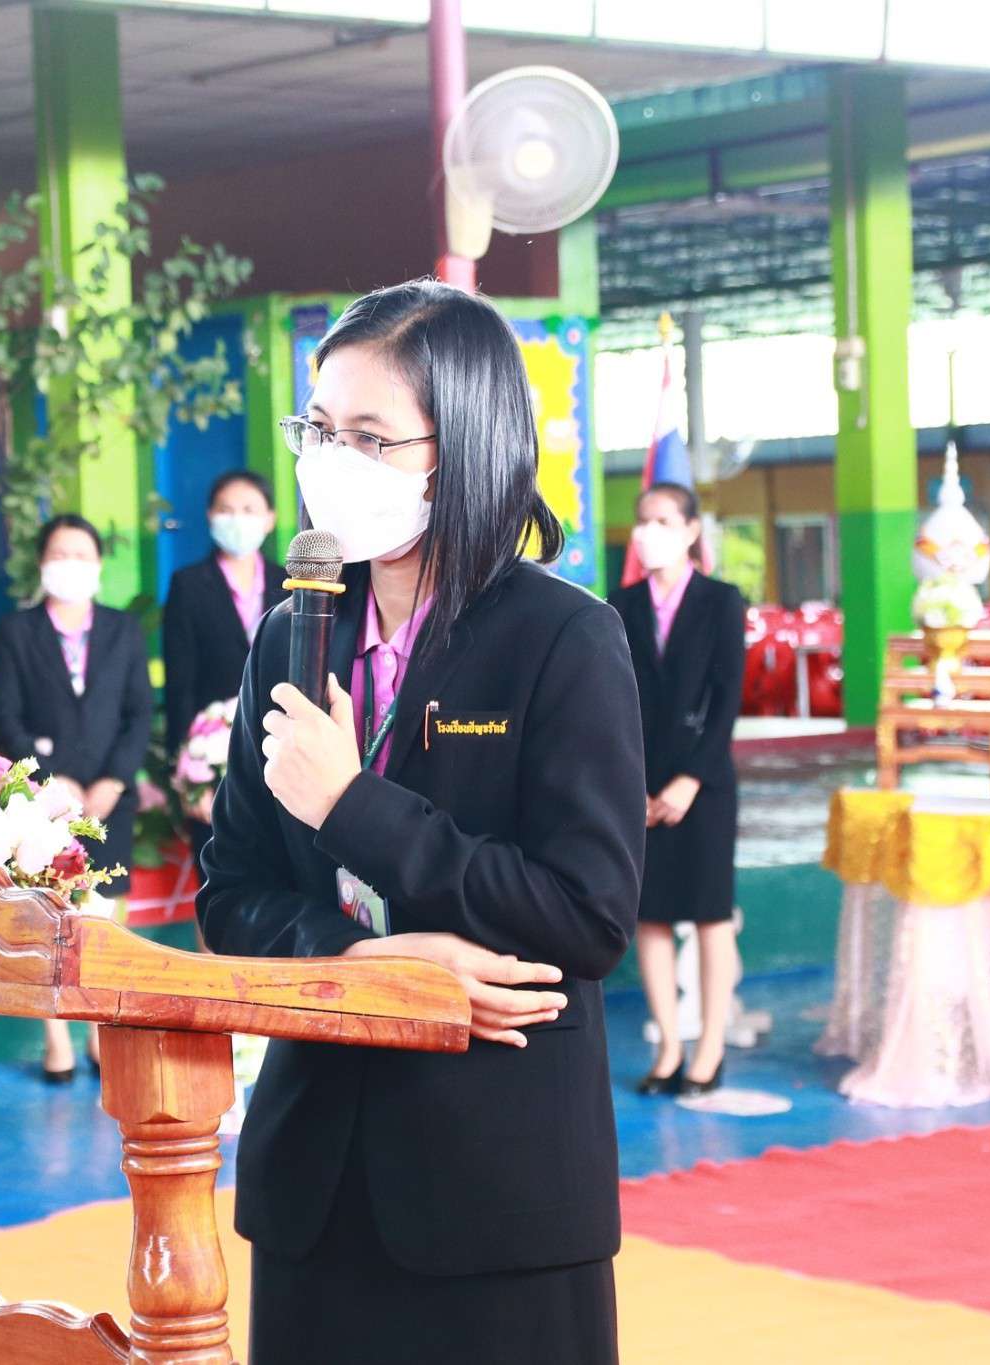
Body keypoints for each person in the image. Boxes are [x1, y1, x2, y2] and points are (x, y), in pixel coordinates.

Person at [199, 280, 645, 1363]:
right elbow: (231, 894)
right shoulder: (291, 635)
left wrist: (352, 806)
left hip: (496, 1182)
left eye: (368, 436)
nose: (329, 460)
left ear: (466, 449)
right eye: (317, 429)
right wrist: (369, 961)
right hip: (315, 1179)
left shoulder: (562, 639)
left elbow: (586, 916)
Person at [0, 514, 153, 1082]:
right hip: (45, 800)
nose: (70, 565)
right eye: (59, 554)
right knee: (49, 913)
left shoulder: (122, 630)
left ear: (99, 565)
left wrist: (116, 780)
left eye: (81, 555)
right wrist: (50, 782)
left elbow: (139, 714)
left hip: (110, 798)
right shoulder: (18, 630)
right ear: (41, 563)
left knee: (105, 919)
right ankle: (56, 1038)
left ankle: (99, 1032)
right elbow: (7, 715)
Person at [610, 483, 747, 1097]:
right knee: (652, 916)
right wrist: (634, 788)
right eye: (643, 521)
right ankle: (669, 1047)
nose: (649, 532)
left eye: (663, 521)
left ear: (692, 531)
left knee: (711, 915)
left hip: (705, 783)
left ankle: (709, 1047)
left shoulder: (721, 601)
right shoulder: (621, 605)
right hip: (640, 787)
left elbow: (727, 699)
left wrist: (691, 779)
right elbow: (614, 705)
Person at [162, 470, 288, 865]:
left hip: (280, 749)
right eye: (226, 509)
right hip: (211, 759)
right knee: (217, 869)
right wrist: (186, 771)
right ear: (210, 516)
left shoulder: (289, 583)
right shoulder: (188, 584)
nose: (237, 520)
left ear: (269, 518)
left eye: (249, 509)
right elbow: (180, 684)